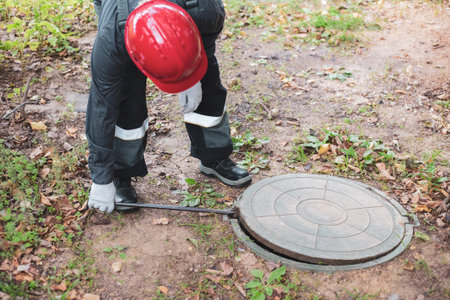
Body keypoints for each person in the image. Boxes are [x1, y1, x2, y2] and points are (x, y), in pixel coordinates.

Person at [86, 0, 252, 213]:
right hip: (122, 19)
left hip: (192, 18)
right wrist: (101, 180)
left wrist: (192, 71)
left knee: (208, 83)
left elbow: (207, 45)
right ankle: (120, 174)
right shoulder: (112, 40)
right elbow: (102, 108)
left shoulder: (207, 12)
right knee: (127, 100)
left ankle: (214, 155)